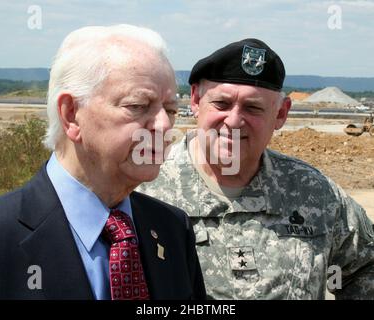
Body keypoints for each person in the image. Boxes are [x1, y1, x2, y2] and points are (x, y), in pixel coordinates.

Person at [138, 38, 374, 299]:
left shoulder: (315, 193)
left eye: (253, 108)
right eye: (222, 104)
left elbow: (365, 267)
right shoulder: (145, 189)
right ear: (195, 100)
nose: (234, 120)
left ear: (281, 114)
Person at [0, 24, 206, 300]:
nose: (164, 125)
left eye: (170, 110)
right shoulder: (5, 234)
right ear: (71, 115)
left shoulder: (171, 228)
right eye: (138, 106)